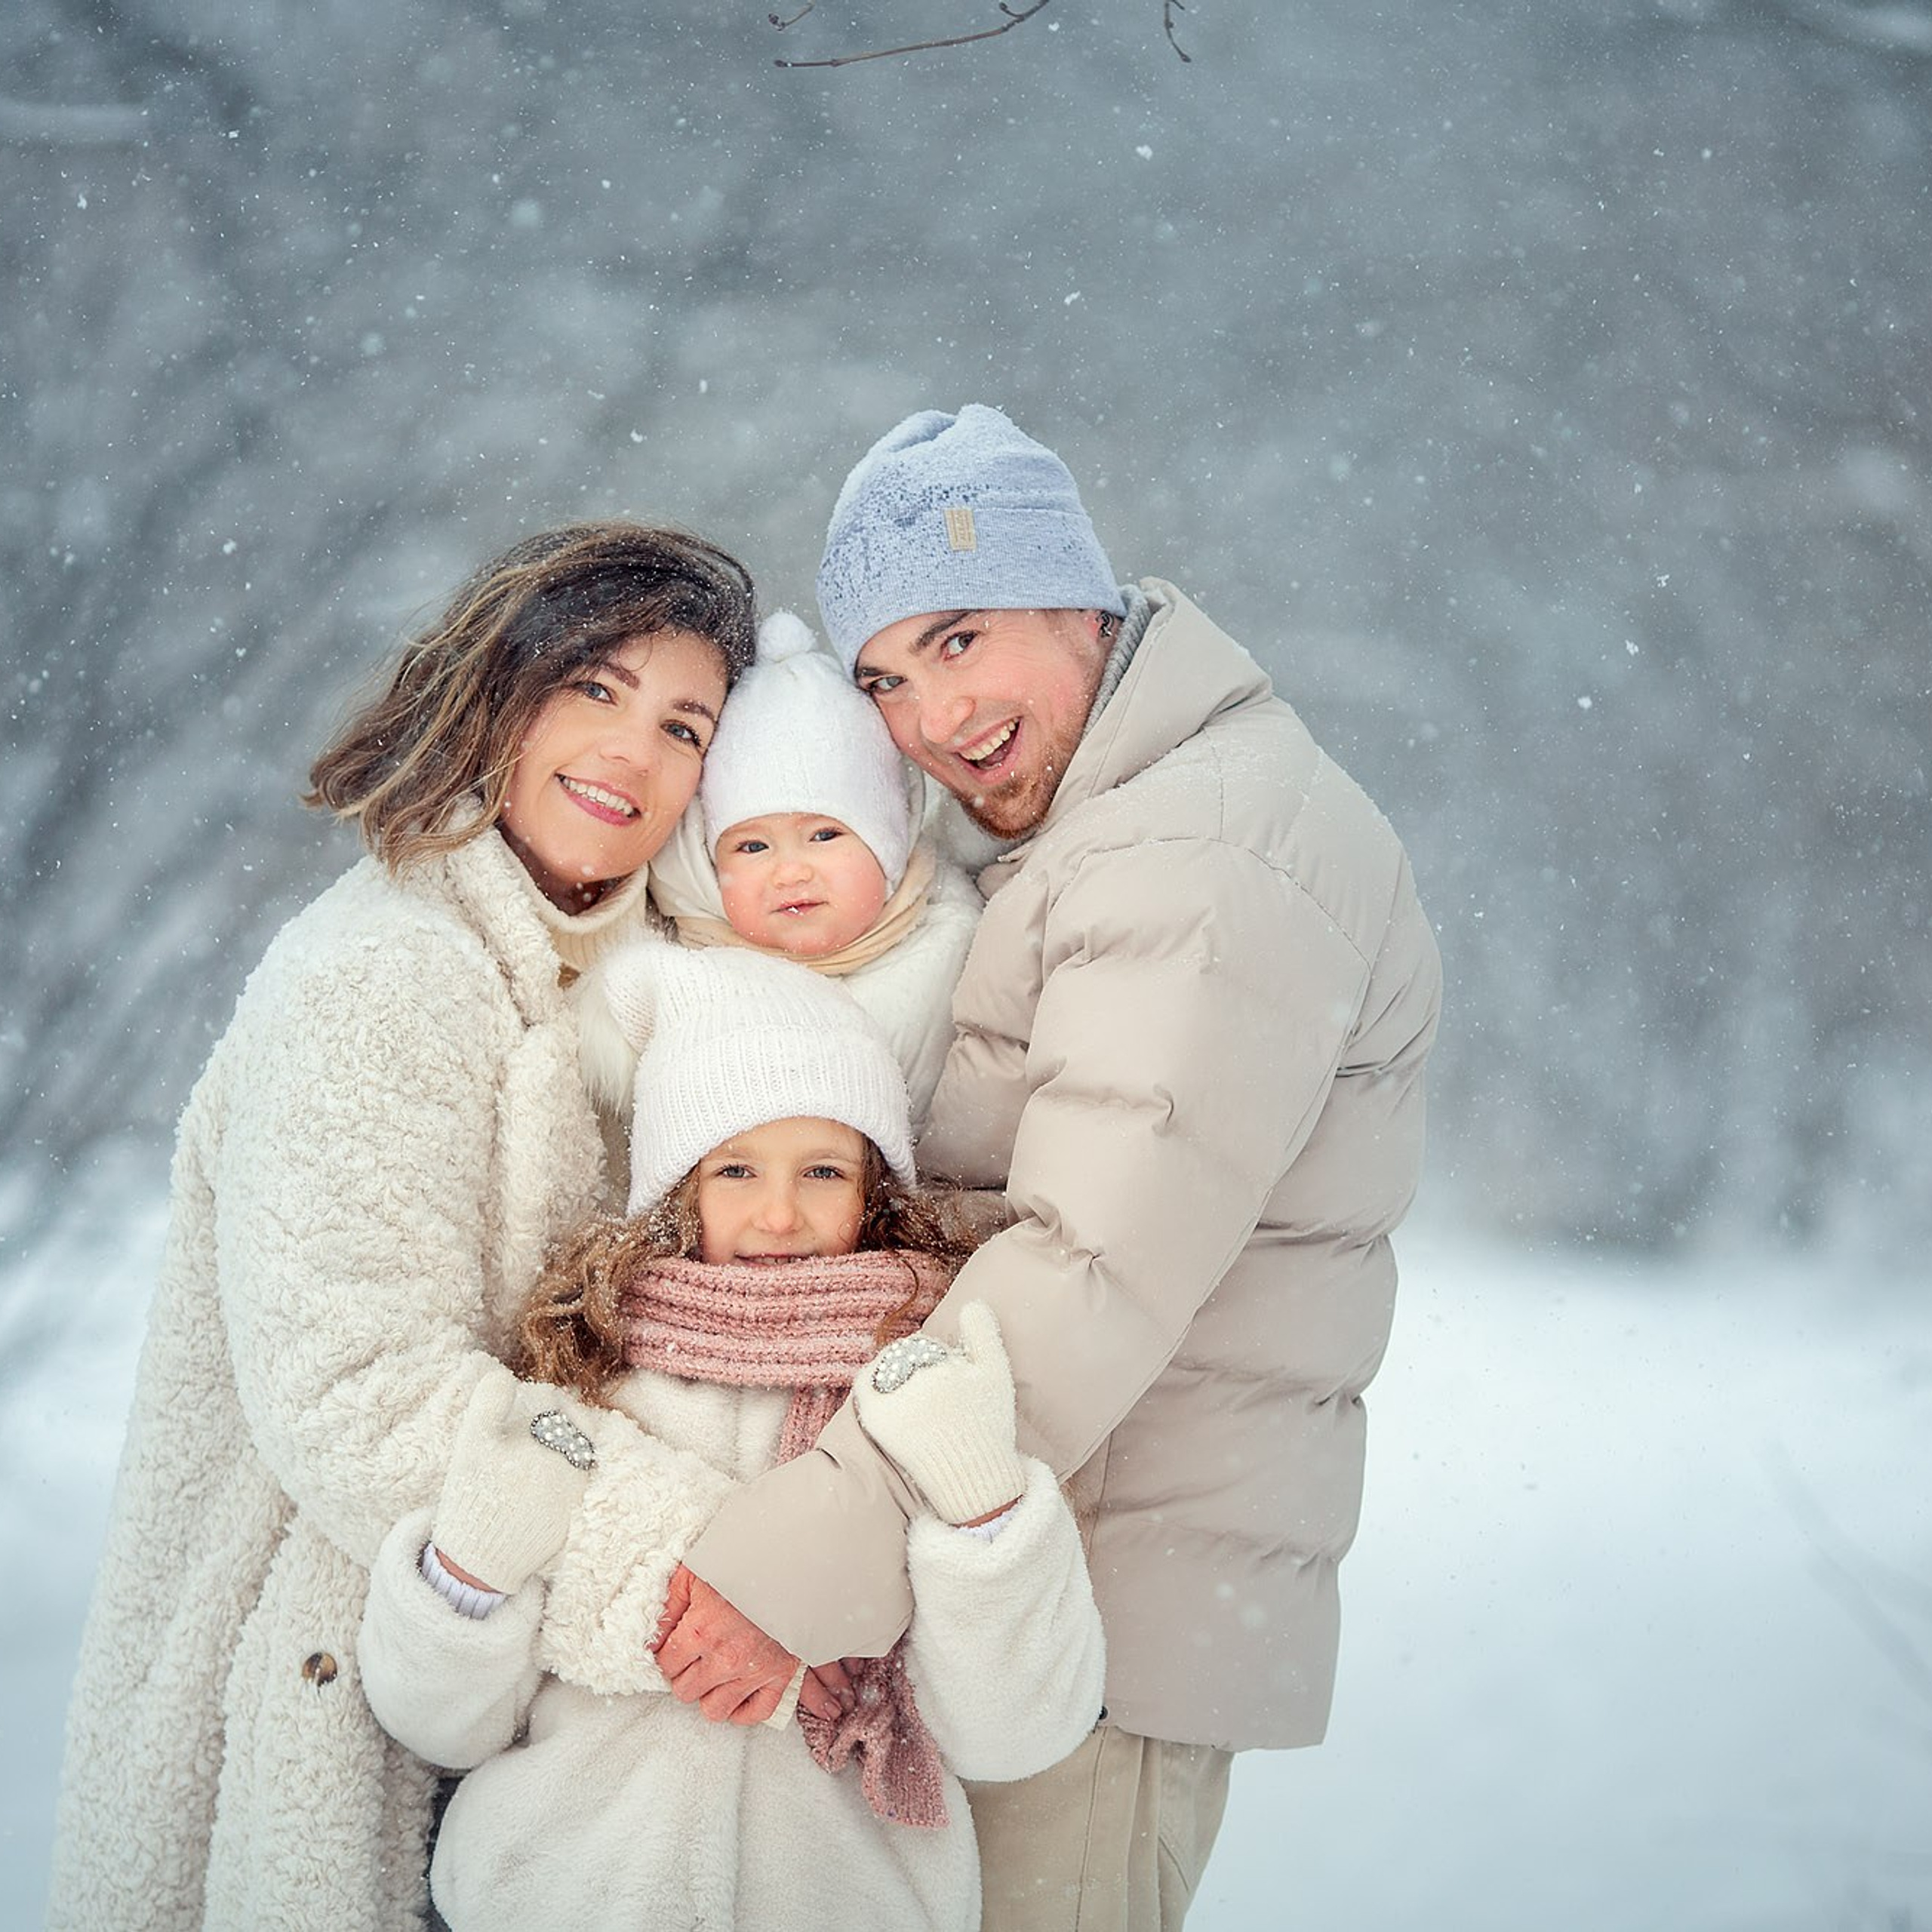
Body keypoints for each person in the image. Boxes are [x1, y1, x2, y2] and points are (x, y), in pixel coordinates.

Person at [654, 405, 1444, 1930]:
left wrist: (795, 1562)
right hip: (1030, 1587)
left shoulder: (1195, 861)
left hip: (1098, 1621)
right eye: (884, 677)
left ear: (1081, 600)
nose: (931, 715)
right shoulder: (1117, 834)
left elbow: (1080, 1269)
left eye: (961, 639)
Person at [48, 521, 777, 1931]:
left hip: (500, 1703)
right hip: (313, 1684)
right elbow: (358, 1395)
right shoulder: (381, 973)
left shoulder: (633, 994)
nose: (633, 752)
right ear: (499, 688)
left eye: (685, 724)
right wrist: (702, 1565)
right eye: (596, 688)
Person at [355, 940, 1106, 1932]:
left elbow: (1017, 1734)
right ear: (679, 1190)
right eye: (737, 1169)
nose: (779, 1212)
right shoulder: (589, 1382)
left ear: (875, 1192)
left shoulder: (920, 1402)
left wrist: (982, 1510)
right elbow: (439, 1723)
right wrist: (470, 1576)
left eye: (824, 1170)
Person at [629, 606, 980, 1128]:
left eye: (824, 835)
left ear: (888, 844)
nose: (790, 872)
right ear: (707, 865)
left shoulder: (965, 948)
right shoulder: (680, 979)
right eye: (752, 848)